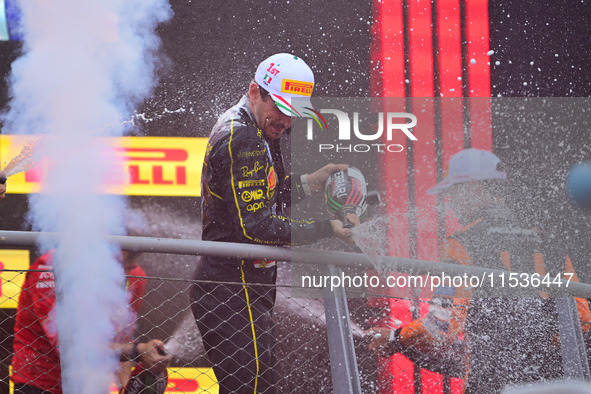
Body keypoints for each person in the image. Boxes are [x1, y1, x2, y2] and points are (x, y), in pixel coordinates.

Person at [190, 52, 355, 393]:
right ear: (255, 92)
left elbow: (264, 189)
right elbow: (256, 226)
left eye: (294, 113)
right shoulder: (244, 137)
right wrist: (327, 229)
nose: (286, 121)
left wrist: (312, 180)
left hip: (236, 288)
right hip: (232, 290)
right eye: (280, 108)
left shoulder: (252, 126)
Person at [366, 148, 591, 393]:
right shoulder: (548, 241)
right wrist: (535, 347)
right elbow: (582, 320)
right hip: (550, 384)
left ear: (474, 187)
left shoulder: (461, 244)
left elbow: (441, 327)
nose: (450, 202)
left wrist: (396, 338)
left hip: (489, 385)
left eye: (453, 192)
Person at [10, 248, 170, 394]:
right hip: (40, 383)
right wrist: (139, 351)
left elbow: (122, 337)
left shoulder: (134, 275)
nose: (123, 271)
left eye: (128, 264)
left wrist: (127, 386)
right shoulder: (50, 267)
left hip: (92, 385)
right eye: (119, 260)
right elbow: (74, 347)